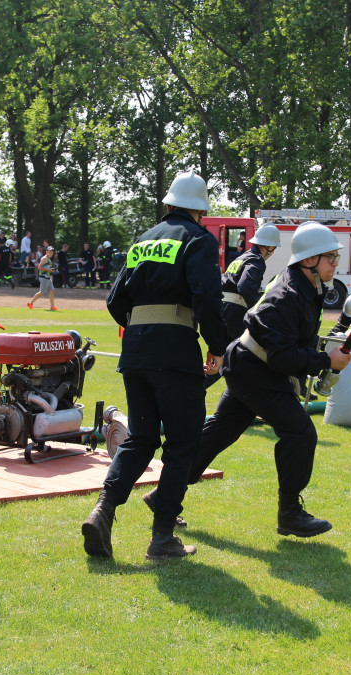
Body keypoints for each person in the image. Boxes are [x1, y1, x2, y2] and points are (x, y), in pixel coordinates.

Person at [81, 170, 226, 561]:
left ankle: (103, 511)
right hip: (176, 353)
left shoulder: (143, 240)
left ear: (168, 204)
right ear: (201, 211)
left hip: (136, 353)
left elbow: (115, 301)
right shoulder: (199, 240)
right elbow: (208, 300)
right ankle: (162, 539)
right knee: (182, 442)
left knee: (140, 438)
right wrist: (217, 345)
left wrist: (142, 326)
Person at [184, 222, 351, 538]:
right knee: (301, 432)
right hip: (255, 369)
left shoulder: (305, 286)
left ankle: (167, 493)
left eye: (335, 257)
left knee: (218, 433)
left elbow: (291, 341)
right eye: (330, 257)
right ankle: (290, 514)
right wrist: (325, 361)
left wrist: (319, 354)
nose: (335, 263)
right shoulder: (288, 294)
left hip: (248, 365)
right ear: (308, 260)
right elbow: (282, 356)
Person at [205, 223, 281, 389]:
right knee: (245, 355)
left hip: (224, 310)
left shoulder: (242, 258)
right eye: (274, 248)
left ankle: (198, 387)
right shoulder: (256, 261)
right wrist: (261, 307)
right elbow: (245, 287)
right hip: (235, 314)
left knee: (225, 355)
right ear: (268, 246)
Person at [27, 246, 59, 310]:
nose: (51, 253)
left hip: (47, 277)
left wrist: (51, 270)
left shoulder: (49, 259)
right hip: (43, 277)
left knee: (52, 291)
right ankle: (30, 303)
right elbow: (39, 267)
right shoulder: (44, 258)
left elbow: (46, 268)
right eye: (50, 252)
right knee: (42, 292)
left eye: (52, 252)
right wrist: (49, 270)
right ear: (46, 252)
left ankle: (52, 306)